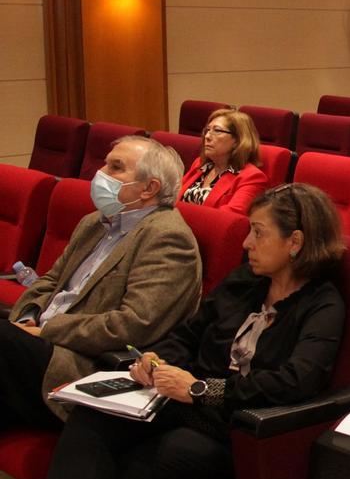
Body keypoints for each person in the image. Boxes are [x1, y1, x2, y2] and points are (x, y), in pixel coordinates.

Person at [27, 183, 347, 479]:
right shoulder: (244, 282)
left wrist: (200, 389)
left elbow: (297, 381)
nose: (246, 243)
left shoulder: (322, 305)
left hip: (229, 430)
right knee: (89, 422)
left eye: (258, 233)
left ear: (295, 242)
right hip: (171, 404)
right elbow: (187, 335)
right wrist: (154, 359)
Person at [1, 136, 202, 427]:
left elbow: (133, 323)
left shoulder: (167, 237)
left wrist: (46, 329)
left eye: (115, 167)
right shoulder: (94, 223)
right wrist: (30, 316)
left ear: (149, 188)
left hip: (76, 360)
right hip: (35, 339)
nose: (100, 174)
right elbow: (51, 281)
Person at [178, 109, 269, 214]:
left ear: (238, 140)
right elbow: (173, 197)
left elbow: (228, 218)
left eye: (217, 131)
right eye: (207, 130)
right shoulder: (200, 164)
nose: (207, 136)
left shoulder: (252, 178)